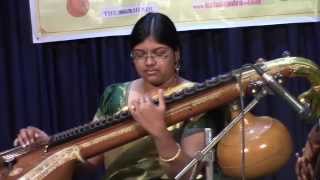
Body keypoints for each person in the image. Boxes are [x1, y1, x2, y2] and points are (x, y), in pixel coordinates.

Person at [14, 12, 228, 179]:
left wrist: (160, 133)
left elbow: (189, 174)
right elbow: (90, 164)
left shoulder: (196, 98)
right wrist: (48, 149)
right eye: (140, 54)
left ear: (176, 54)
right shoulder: (115, 95)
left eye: (160, 53)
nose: (150, 62)